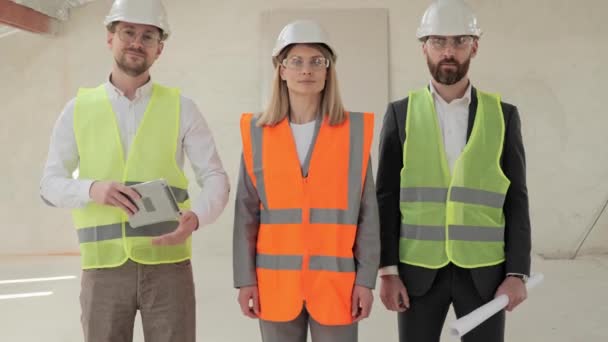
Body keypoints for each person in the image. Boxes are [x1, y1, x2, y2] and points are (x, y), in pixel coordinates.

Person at [40, 0, 229, 341]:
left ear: (160, 49)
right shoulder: (77, 110)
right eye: (128, 32)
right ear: (110, 37)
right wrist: (92, 188)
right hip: (103, 267)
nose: (137, 42)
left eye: (148, 36)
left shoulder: (182, 108)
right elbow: (50, 184)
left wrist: (197, 217)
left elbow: (215, 177)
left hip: (168, 261)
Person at [376, 1, 532, 341]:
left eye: (459, 41)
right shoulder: (400, 115)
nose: (449, 51)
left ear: (474, 46)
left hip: (485, 275)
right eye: (438, 42)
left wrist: (517, 272)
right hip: (416, 273)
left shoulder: (503, 116)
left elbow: (516, 199)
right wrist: (387, 271)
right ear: (424, 47)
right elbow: (384, 199)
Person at [232, 19, 380, 342]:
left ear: (328, 71)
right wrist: (245, 280)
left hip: (336, 286)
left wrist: (366, 280)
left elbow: (368, 216)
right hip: (275, 287)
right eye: (295, 61)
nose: (306, 70)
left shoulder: (353, 134)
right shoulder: (257, 134)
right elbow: (246, 214)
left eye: (317, 61)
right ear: (281, 70)